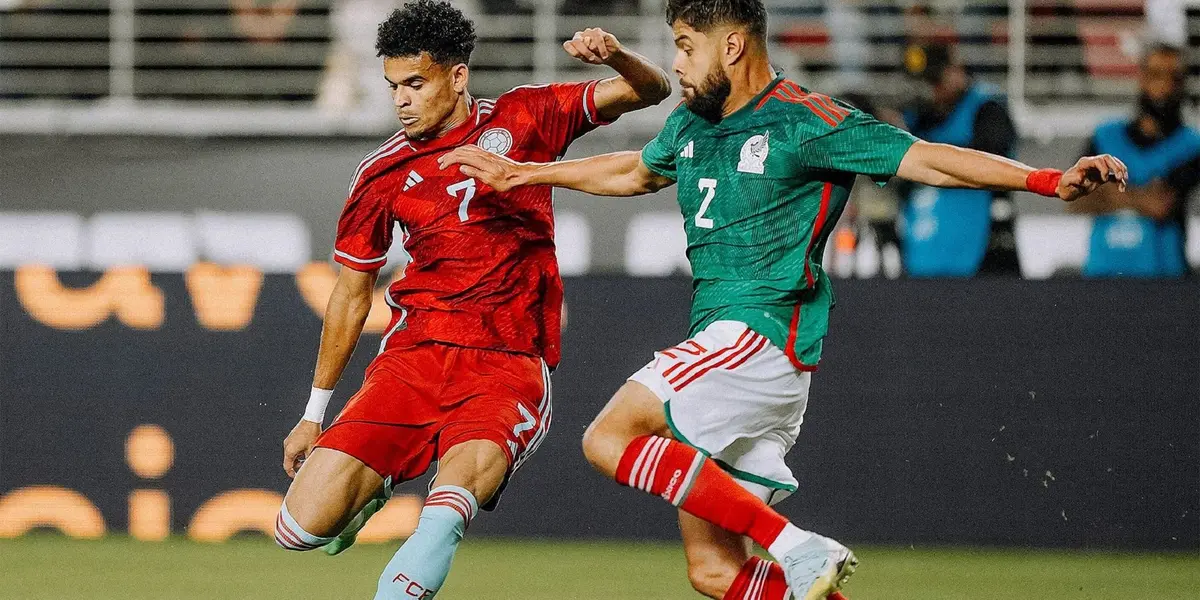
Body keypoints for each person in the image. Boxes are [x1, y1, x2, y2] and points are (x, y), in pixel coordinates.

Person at [439, 1, 1126, 598]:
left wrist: (1045, 180)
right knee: (713, 571)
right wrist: (524, 172)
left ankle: (795, 542)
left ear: (732, 45)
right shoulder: (692, 123)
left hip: (759, 333)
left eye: (685, 45)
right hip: (742, 355)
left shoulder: (809, 121)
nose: (675, 63)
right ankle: (796, 558)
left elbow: (925, 157)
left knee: (608, 436)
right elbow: (631, 170)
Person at [275, 2, 671, 599]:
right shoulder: (381, 174)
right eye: (393, 87)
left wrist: (613, 54)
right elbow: (352, 293)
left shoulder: (526, 116)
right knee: (298, 531)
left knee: (445, 509)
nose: (401, 100)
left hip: (507, 364)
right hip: (415, 358)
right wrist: (313, 413)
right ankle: (373, 490)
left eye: (415, 83)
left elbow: (652, 89)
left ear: (457, 76)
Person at [1070, 44, 1199, 278]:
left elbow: (1161, 204)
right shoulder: (1105, 136)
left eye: (1174, 77)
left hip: (1164, 277)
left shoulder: (1192, 145)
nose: (1165, 86)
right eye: (1156, 75)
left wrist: (1108, 192)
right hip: (1102, 273)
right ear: (1141, 77)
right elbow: (1074, 200)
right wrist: (1141, 196)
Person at [900, 42, 1021, 277]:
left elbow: (991, 157)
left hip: (982, 245)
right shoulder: (918, 116)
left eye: (936, 81)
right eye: (924, 83)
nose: (931, 90)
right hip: (924, 243)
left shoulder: (987, 108)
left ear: (956, 71)